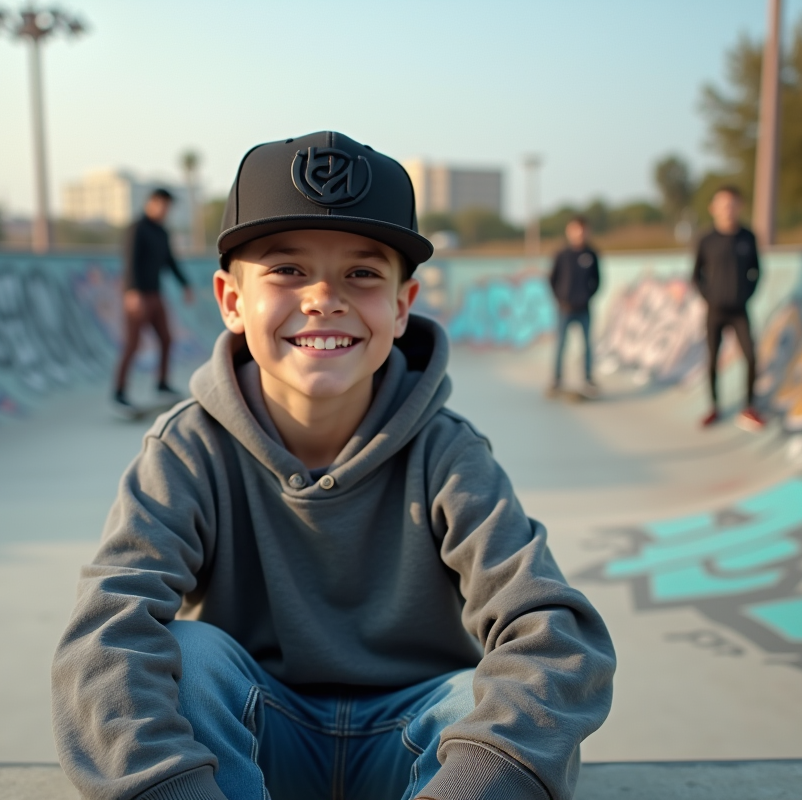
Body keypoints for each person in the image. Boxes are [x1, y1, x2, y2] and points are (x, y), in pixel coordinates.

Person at [53, 132, 615, 800]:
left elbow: (553, 636)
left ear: (402, 307)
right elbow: (108, 630)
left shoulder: (448, 455)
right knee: (190, 658)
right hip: (255, 738)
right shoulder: (188, 448)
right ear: (232, 301)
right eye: (288, 270)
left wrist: (478, 780)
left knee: (481, 699)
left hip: (411, 742)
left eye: (363, 274)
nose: (324, 297)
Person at [113, 187, 195, 412]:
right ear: (151, 203)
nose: (165, 211)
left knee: (166, 339)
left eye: (168, 207)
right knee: (133, 344)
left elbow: (170, 261)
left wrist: (185, 284)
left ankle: (162, 384)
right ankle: (119, 392)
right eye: (162, 205)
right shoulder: (137, 228)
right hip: (137, 295)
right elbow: (130, 260)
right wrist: (132, 291)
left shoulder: (162, 232)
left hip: (156, 295)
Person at [692, 186, 763, 430]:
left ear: (739, 207)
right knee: (713, 360)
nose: (727, 210)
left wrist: (746, 294)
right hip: (715, 311)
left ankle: (749, 407)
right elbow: (696, 275)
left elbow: (756, 271)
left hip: (739, 310)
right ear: (713, 209)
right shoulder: (706, 240)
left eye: (732, 205)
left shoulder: (748, 237)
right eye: (723, 205)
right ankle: (714, 407)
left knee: (751, 357)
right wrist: (708, 297)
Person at [547, 216, 600, 396]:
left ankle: (588, 379)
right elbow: (552, 279)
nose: (579, 233)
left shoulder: (591, 254)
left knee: (587, 345)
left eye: (582, 230)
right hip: (565, 309)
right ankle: (556, 380)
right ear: (569, 232)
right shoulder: (562, 254)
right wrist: (560, 299)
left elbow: (597, 280)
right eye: (575, 230)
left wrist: (587, 297)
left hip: (584, 308)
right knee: (561, 344)